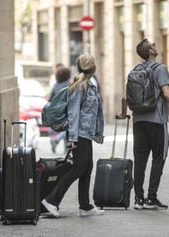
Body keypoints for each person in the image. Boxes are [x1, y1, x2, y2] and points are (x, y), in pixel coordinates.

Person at [119, 39, 169, 210]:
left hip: (138, 122)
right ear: (151, 51)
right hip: (156, 121)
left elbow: (126, 97)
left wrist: (124, 113)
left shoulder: (135, 70)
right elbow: (167, 93)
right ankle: (151, 198)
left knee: (140, 160)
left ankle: (138, 199)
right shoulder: (160, 69)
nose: (156, 44)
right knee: (158, 159)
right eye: (154, 44)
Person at [41, 54, 105, 217]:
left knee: (87, 167)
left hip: (86, 134)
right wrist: (72, 139)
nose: (95, 66)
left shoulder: (90, 85)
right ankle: (51, 201)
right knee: (78, 168)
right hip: (78, 133)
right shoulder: (79, 87)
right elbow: (73, 113)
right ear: (91, 67)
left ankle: (85, 206)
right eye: (94, 64)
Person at [48, 66, 71, 153]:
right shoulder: (69, 85)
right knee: (69, 129)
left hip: (57, 112)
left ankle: (66, 150)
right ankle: (57, 141)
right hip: (66, 111)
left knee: (64, 128)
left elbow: (50, 99)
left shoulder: (55, 85)